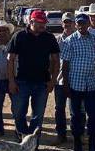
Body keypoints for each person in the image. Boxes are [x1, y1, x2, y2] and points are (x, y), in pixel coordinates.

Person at [6, 9, 60, 138]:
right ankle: (22, 136)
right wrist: (11, 81)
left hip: (42, 83)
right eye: (40, 22)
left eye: (44, 23)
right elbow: (10, 59)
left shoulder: (49, 38)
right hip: (22, 82)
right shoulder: (19, 36)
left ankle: (33, 142)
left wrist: (53, 81)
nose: (43, 25)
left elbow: (56, 60)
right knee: (19, 112)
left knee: (38, 116)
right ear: (31, 21)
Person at [61, 14, 95, 151]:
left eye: (84, 23)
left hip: (92, 84)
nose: (81, 26)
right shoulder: (69, 41)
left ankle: (92, 144)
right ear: (76, 25)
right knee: (76, 116)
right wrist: (66, 85)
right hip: (75, 85)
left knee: (93, 115)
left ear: (88, 25)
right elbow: (65, 66)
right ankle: (77, 145)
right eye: (79, 23)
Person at [52, 12, 78, 143]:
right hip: (60, 80)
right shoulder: (56, 40)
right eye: (65, 22)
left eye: (70, 22)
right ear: (62, 24)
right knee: (59, 108)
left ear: (74, 24)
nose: (67, 24)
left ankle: (77, 135)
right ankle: (61, 135)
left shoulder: (79, 38)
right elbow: (52, 60)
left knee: (76, 109)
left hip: (76, 80)